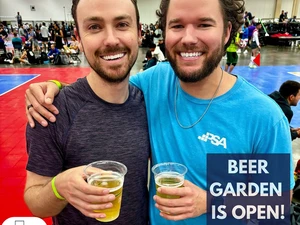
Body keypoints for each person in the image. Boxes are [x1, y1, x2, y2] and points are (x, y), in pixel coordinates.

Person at [25, 0, 294, 224]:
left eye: (204, 24)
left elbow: (278, 203)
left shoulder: (264, 117)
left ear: (226, 32)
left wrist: (210, 202)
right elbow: (105, 86)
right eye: (177, 25)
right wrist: (56, 88)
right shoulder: (154, 83)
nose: (189, 38)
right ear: (164, 33)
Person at [24, 0, 150, 224]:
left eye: (122, 24)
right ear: (79, 39)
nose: (111, 40)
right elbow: (34, 201)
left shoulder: (149, 101)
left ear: (139, 32)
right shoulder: (52, 111)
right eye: (94, 27)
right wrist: (59, 187)